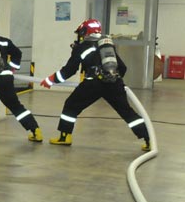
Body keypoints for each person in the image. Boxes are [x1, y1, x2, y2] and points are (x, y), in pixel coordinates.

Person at [41, 18, 150, 150]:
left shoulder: (81, 47)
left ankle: (65, 137)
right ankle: (148, 140)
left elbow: (69, 70)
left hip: (92, 84)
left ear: (85, 32)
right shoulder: (107, 46)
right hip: (114, 83)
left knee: (71, 106)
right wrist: (113, 81)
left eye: (81, 33)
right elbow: (123, 68)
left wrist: (50, 80)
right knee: (127, 112)